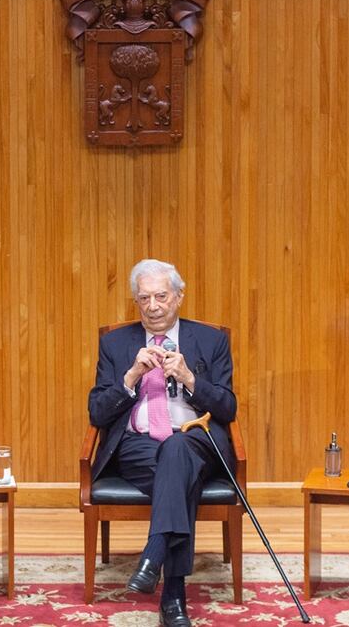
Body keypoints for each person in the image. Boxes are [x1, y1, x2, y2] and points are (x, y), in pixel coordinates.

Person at [88, 259, 237, 627]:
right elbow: (97, 413)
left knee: (177, 450)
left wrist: (189, 379)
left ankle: (153, 557)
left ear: (179, 297)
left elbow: (228, 408)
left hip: (197, 441)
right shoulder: (115, 344)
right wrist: (131, 376)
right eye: (144, 299)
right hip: (138, 447)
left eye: (161, 296)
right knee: (175, 471)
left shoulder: (210, 340)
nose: (153, 306)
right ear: (135, 302)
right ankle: (173, 598)